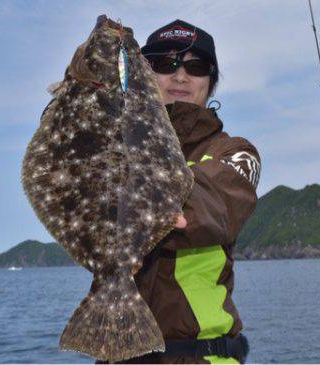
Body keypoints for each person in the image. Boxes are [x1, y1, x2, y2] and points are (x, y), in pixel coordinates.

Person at [96, 19, 261, 364]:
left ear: (210, 83)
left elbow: (214, 207)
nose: (181, 76)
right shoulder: (114, 144)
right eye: (165, 64)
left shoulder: (235, 153)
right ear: (145, 75)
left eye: (196, 67)